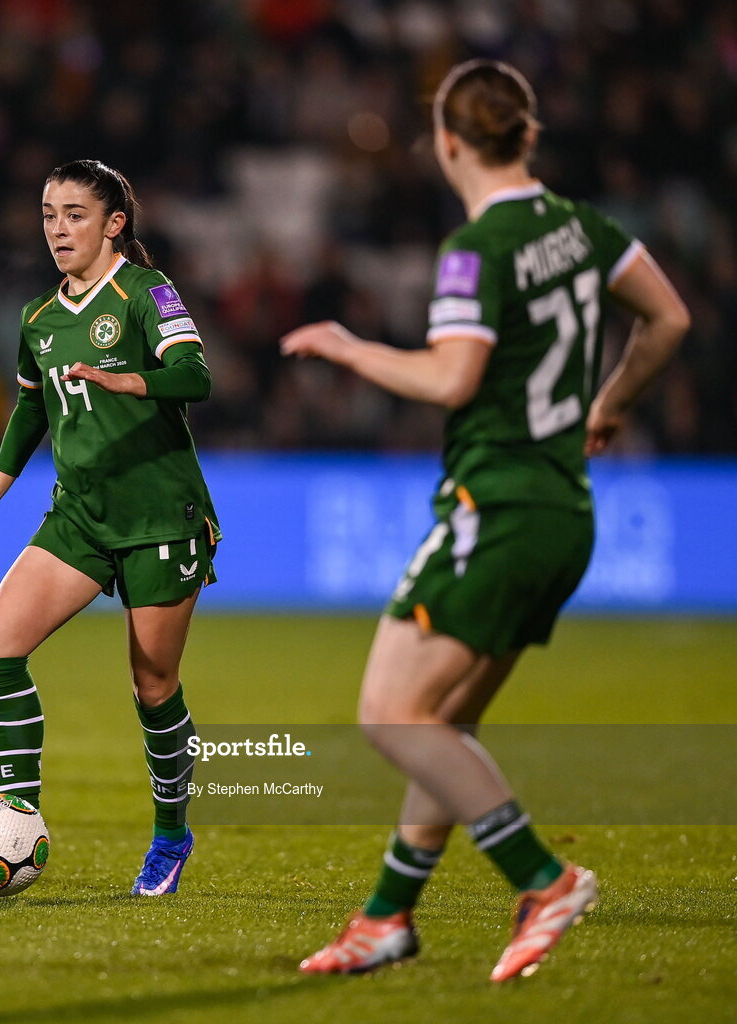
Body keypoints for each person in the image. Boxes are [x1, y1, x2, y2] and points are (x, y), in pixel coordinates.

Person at [281, 60, 688, 980]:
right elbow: (667, 319)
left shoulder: (478, 247)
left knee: (390, 712)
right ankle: (386, 917)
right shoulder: (581, 228)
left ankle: (540, 878)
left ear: (448, 141)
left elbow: (450, 377)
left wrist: (351, 349)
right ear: (525, 136)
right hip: (562, 514)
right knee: (443, 723)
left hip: (494, 505)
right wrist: (610, 404)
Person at [0, 158, 220, 896]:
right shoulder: (39, 316)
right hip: (80, 516)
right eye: (50, 214)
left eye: (75, 215)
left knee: (153, 687)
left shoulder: (145, 292)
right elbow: (31, 407)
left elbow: (196, 375)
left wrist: (130, 378)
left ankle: (170, 836)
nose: (58, 228)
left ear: (113, 223)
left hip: (160, 518)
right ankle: (14, 813)